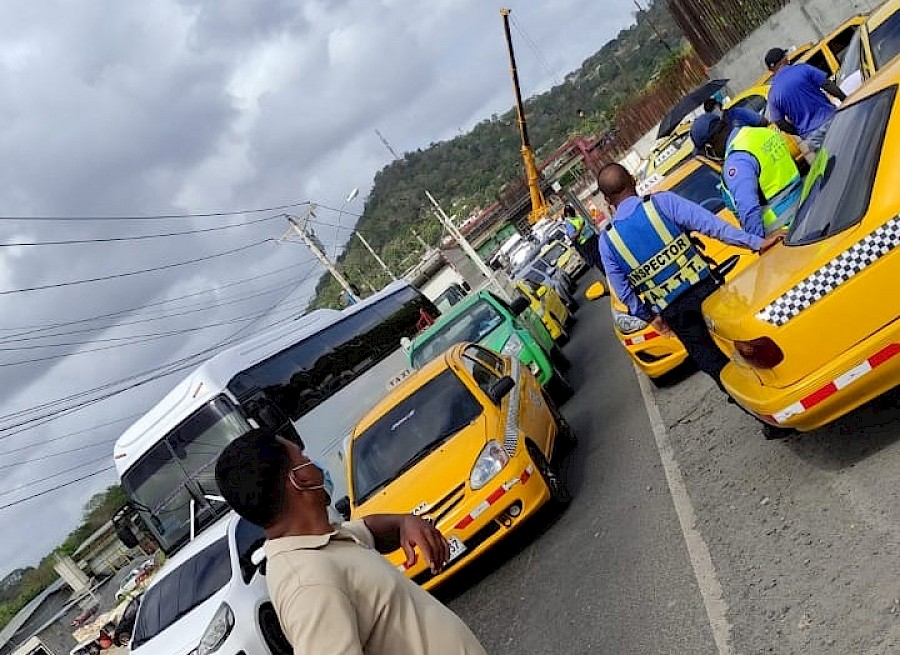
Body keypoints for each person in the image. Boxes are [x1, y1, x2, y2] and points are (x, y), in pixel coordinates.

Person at [214, 429, 487, 655]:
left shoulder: (324, 542)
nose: (314, 463)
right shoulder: (308, 584)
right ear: (300, 479)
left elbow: (368, 530)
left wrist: (404, 523)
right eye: (304, 458)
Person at [595, 163, 791, 439]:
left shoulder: (608, 241)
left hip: (675, 313)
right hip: (709, 292)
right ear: (632, 179)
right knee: (745, 349)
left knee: (716, 366)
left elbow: (623, 291)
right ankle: (785, 399)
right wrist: (756, 243)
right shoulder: (662, 203)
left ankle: (768, 421)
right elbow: (711, 226)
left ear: (606, 200)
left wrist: (651, 317)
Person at [690, 112, 802, 238]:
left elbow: (748, 209)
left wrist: (759, 243)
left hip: (784, 231)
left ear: (709, 147)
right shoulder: (761, 133)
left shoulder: (737, 160)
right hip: (808, 208)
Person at [764, 47, 847, 151]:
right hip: (832, 120)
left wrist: (798, 131)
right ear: (784, 58)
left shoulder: (773, 94)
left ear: (771, 70)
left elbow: (779, 122)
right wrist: (845, 99)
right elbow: (827, 84)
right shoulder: (802, 69)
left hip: (812, 137)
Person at [562, 205, 603, 271]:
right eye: (570, 211)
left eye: (572, 209)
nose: (572, 211)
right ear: (567, 213)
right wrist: (581, 227)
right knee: (599, 260)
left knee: (605, 254)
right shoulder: (569, 222)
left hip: (593, 237)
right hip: (587, 243)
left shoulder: (578, 217)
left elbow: (588, 225)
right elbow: (573, 236)